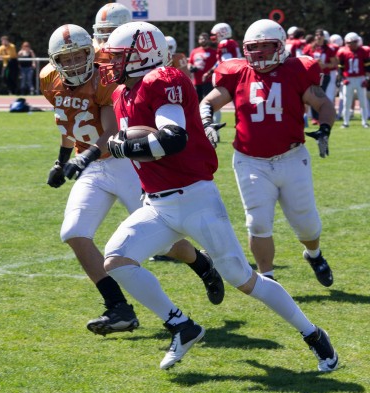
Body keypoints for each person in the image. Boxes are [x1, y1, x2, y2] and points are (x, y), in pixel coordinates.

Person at [65, 21, 338, 372]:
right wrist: (111, 148)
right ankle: (182, 325)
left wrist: (123, 146)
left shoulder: (162, 79)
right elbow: (128, 138)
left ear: (141, 54)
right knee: (117, 261)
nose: (109, 64)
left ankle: (313, 334)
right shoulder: (122, 92)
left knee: (245, 280)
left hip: (195, 199)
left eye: (116, 57)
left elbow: (172, 137)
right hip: (158, 204)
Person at [41, 24, 224, 337]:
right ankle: (118, 308)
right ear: (55, 61)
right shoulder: (48, 78)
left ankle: (201, 263)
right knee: (73, 232)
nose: (72, 64)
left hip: (124, 161)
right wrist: (62, 160)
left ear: (91, 53)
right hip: (94, 167)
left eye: (79, 56)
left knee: (164, 243)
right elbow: (69, 123)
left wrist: (81, 159)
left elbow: (111, 131)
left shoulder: (106, 77)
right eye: (65, 58)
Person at [200, 19, 336, 290]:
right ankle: (269, 279)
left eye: (267, 46)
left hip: (291, 157)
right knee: (258, 222)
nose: (260, 53)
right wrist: (206, 122)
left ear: (281, 45)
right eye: (255, 47)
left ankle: (314, 254)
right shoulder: (237, 72)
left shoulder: (297, 70)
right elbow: (209, 101)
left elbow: (323, 103)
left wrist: (324, 129)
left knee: (306, 223)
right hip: (250, 161)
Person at [302, 29, 338, 125]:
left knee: (321, 95)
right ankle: (314, 118)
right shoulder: (310, 47)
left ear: (323, 37)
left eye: (320, 35)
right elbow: (302, 60)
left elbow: (334, 63)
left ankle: (321, 116)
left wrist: (324, 65)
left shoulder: (328, 49)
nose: (318, 37)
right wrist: (313, 62)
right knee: (313, 95)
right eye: (317, 35)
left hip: (324, 75)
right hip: (312, 74)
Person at [337, 32, 370, 129]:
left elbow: (368, 67)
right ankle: (345, 122)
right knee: (346, 102)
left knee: (363, 101)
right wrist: (343, 79)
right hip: (348, 79)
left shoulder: (363, 51)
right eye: (349, 42)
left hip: (360, 78)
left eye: (354, 42)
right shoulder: (343, 52)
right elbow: (340, 67)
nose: (352, 44)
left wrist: (367, 79)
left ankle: (364, 122)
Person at [188, 32, 217, 102]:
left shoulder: (214, 52)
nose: (203, 40)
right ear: (198, 40)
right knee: (197, 103)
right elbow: (189, 63)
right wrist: (191, 67)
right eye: (201, 39)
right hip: (197, 82)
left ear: (208, 40)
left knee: (208, 102)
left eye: (205, 39)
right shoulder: (194, 51)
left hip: (208, 82)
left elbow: (217, 65)